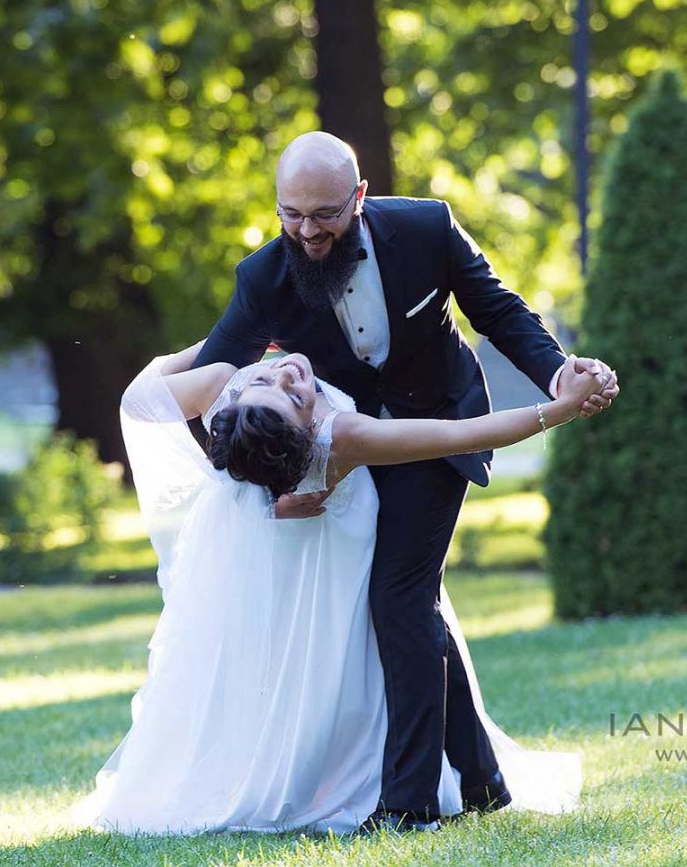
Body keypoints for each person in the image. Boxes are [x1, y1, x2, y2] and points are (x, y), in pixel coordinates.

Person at [185, 131, 618, 831]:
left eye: (324, 214)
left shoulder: (426, 227)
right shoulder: (262, 276)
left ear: (358, 198)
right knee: (412, 605)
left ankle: (409, 803)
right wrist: (271, 487)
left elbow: (498, 310)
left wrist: (556, 373)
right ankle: (481, 782)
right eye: (291, 214)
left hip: (437, 427)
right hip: (341, 450)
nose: (307, 230)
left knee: (399, 597)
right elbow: (212, 397)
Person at [71, 342, 616, 835]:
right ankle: (321, 774)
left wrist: (219, 347)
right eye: (289, 392)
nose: (286, 374)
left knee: (349, 659)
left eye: (277, 383)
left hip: (320, 552)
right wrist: (560, 411)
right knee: (304, 662)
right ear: (307, 433)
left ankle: (392, 768)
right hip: (295, 554)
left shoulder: (233, 380)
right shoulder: (326, 428)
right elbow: (457, 435)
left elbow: (140, 398)